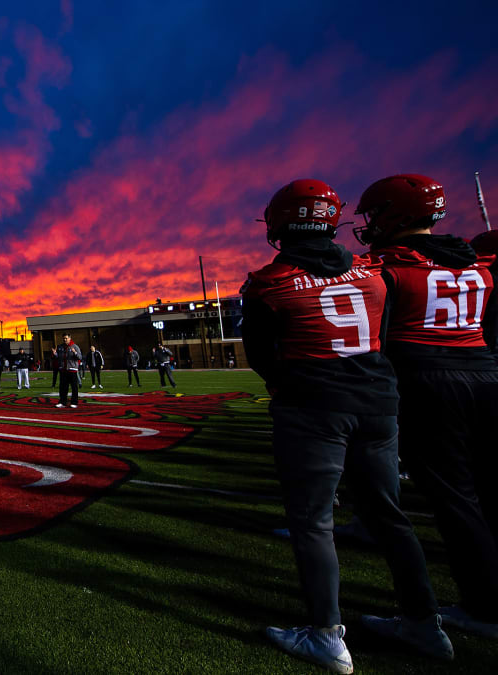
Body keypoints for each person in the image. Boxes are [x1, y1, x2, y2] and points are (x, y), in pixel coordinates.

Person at [242, 179, 450, 672]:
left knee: (313, 521)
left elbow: (262, 359)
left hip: (314, 408)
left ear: (278, 223)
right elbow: (384, 332)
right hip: (379, 403)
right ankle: (425, 622)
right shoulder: (374, 272)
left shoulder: (269, 284)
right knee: (389, 516)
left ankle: (326, 635)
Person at [356, 174, 498, 640]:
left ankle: (484, 604)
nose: (370, 223)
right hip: (486, 374)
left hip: (428, 381)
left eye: (375, 214)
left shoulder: (387, 268)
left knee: (454, 499)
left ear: (394, 214)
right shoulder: (477, 264)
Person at [56, 334, 82, 408]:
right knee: (63, 388)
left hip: (72, 369)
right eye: (63, 338)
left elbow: (80, 357)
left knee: (74, 387)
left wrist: (75, 353)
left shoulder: (75, 346)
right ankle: (62, 402)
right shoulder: (60, 347)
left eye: (66, 338)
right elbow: (58, 358)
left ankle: (74, 402)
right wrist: (55, 354)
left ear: (70, 338)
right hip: (63, 370)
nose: (65, 340)